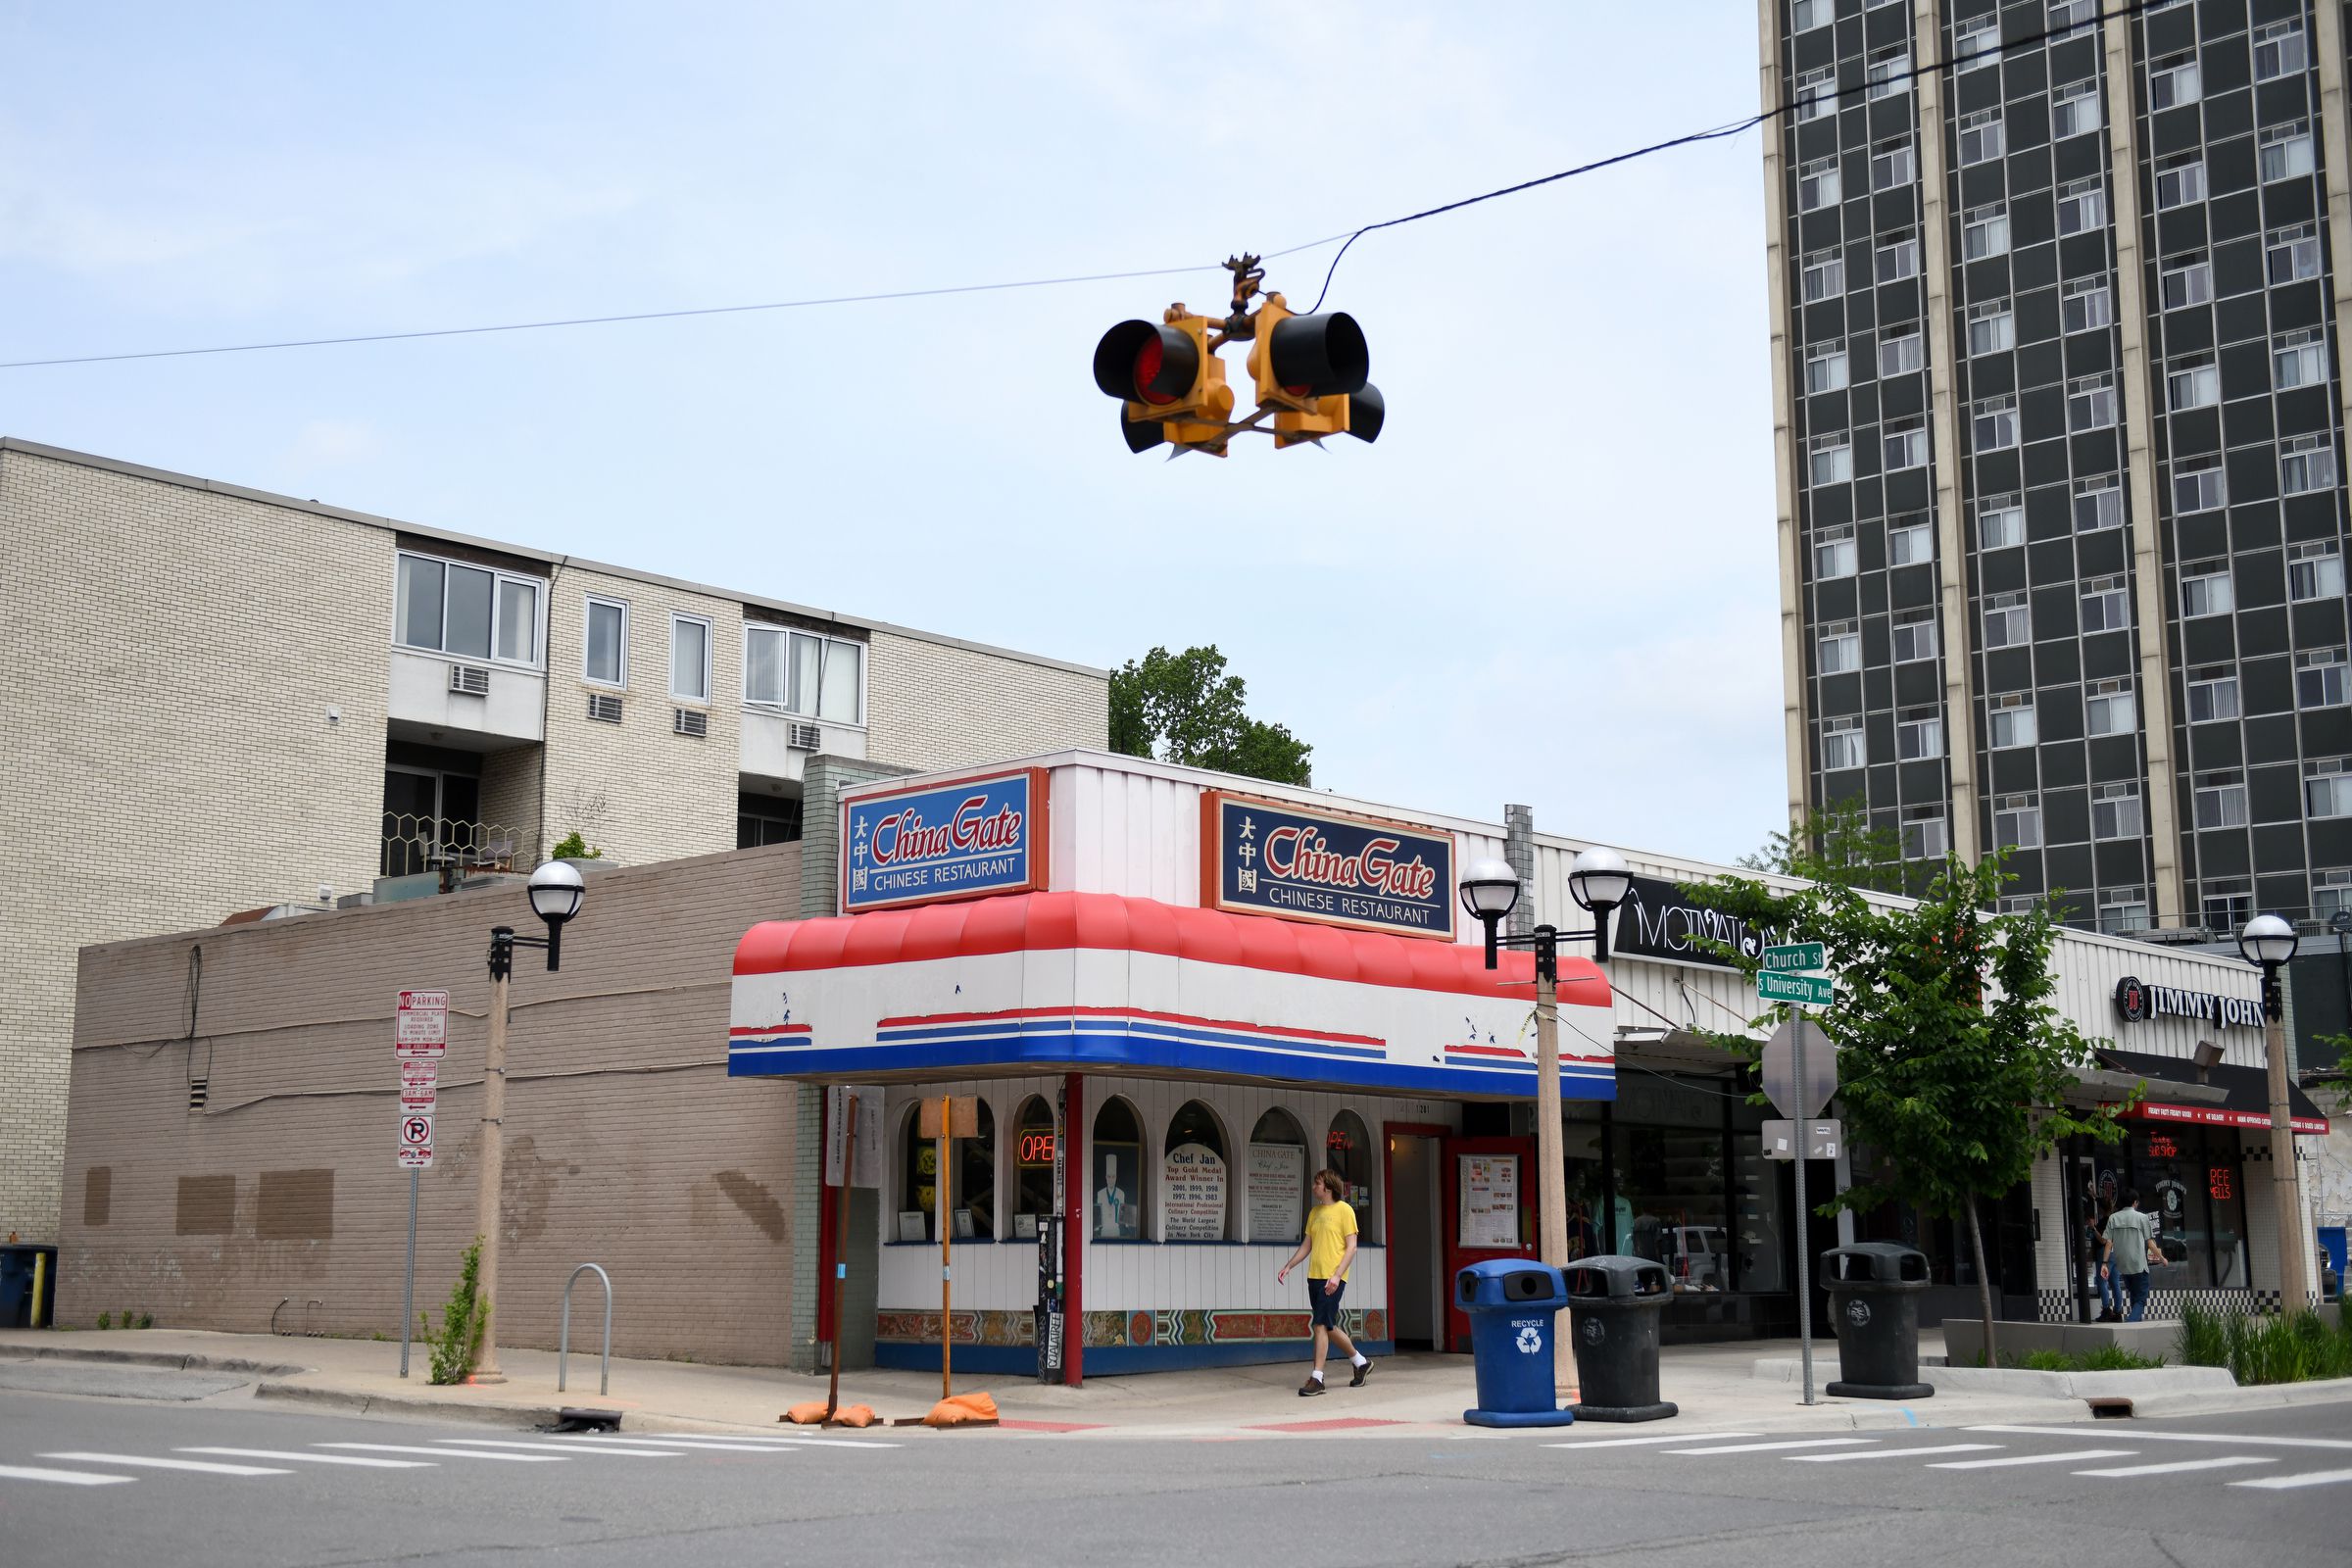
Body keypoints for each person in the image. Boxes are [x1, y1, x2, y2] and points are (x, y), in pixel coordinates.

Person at [1277, 1169, 1370, 1396]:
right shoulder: (1314, 1212)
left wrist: (1337, 1275)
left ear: (1328, 1187)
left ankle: (1317, 1378)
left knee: (1319, 1324)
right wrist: (1289, 1265)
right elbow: (1307, 1245)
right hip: (1315, 1276)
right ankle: (1361, 1363)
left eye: (1317, 1183)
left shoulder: (1345, 1211)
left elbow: (1352, 1247)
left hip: (1333, 1278)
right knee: (1327, 1325)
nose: (1314, 1187)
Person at [2101, 1188, 2167, 1324]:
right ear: (2135, 1203)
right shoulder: (2142, 1218)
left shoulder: (2113, 1218)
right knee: (2141, 1298)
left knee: (2134, 1294)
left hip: (2123, 1265)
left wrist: (2104, 1264)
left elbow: (2108, 1243)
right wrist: (2162, 1258)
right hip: (2138, 1264)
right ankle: (2131, 1322)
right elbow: (2150, 1243)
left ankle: (2136, 1323)